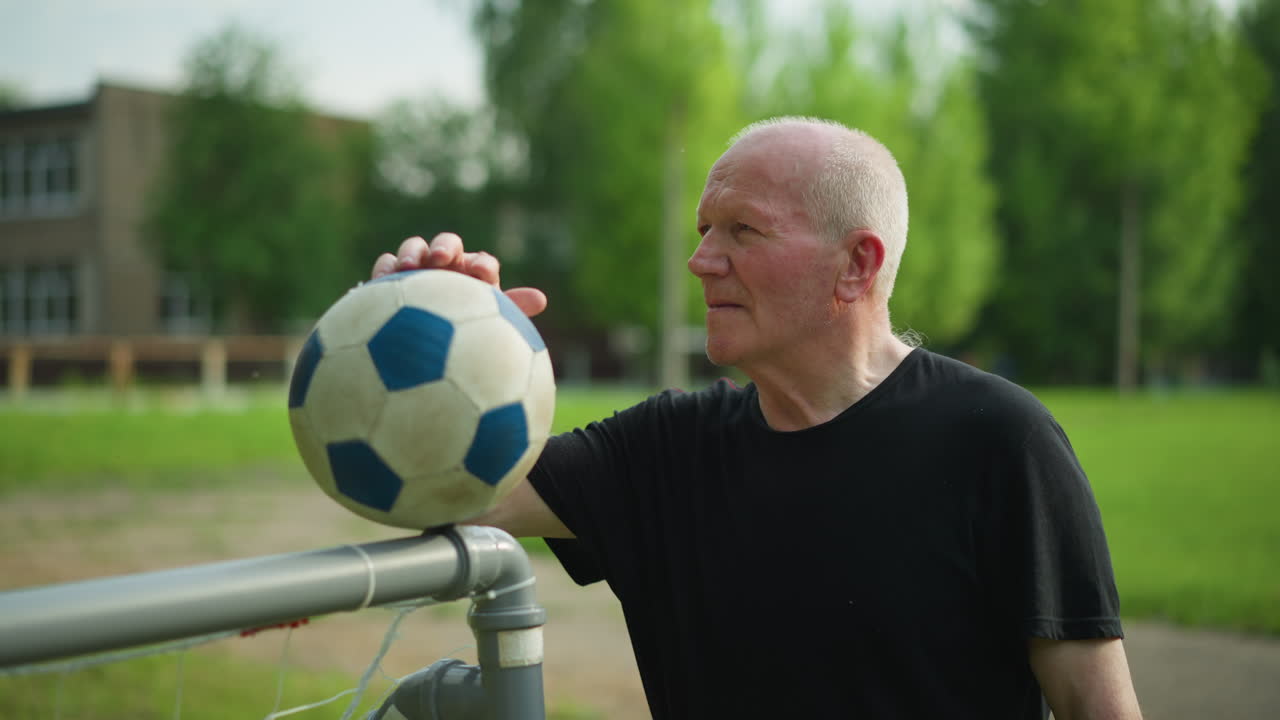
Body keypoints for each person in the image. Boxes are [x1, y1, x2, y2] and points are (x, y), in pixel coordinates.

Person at [370, 117, 1143, 719]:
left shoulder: (1000, 441)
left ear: (858, 265)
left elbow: (1093, 708)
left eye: (742, 230)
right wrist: (422, 336)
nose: (702, 259)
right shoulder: (667, 453)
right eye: (706, 229)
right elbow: (439, 490)